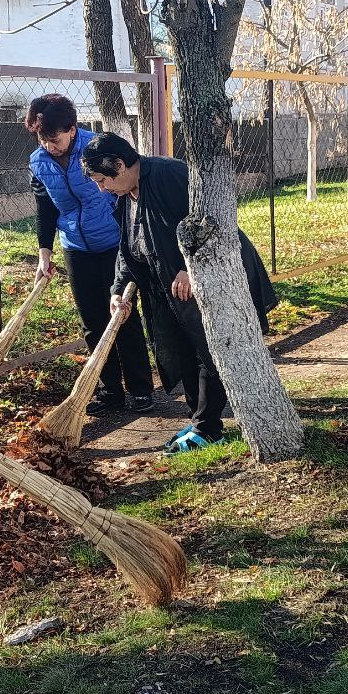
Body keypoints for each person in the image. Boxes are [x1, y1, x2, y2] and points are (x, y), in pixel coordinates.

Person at [82, 132, 277, 454]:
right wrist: (118, 290)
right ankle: (198, 420)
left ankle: (208, 427)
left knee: (207, 352)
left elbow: (210, 220)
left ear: (120, 164)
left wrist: (192, 266)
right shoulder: (125, 197)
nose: (102, 188)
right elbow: (129, 249)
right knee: (183, 350)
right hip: (167, 290)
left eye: (103, 179)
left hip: (205, 279)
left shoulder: (168, 174)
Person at [26, 94, 152, 415]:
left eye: (53, 138)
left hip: (114, 244)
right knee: (93, 323)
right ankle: (109, 390)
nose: (48, 145)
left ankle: (139, 388)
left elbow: (128, 192)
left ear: (71, 129)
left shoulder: (97, 148)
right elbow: (45, 210)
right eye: (42, 139)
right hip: (76, 249)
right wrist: (45, 254)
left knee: (123, 315)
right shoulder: (39, 162)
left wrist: (133, 240)